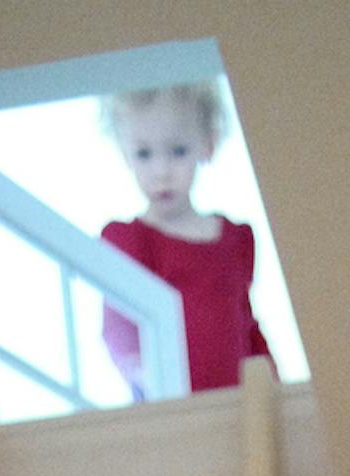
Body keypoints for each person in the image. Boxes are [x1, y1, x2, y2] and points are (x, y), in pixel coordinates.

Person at [98, 81, 274, 398]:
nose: (161, 170)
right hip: (169, 402)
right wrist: (143, 375)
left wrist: (275, 387)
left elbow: (246, 323)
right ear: (125, 154)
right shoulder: (130, 239)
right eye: (144, 154)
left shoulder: (235, 239)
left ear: (208, 145)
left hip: (236, 401)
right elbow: (117, 327)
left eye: (177, 151)